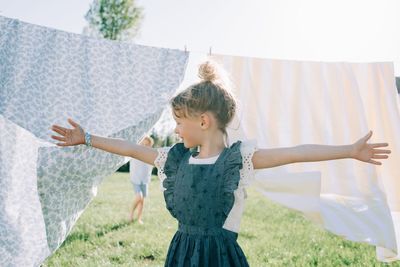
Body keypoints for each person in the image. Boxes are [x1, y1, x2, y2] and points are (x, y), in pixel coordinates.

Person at [50, 61, 391, 267]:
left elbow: (297, 152)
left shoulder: (238, 161)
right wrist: (88, 138)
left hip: (220, 259)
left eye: (179, 121)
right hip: (181, 253)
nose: (175, 128)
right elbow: (129, 148)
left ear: (204, 122)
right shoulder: (175, 160)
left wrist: (348, 149)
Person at [128, 136, 154, 224]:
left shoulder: (150, 156)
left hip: (145, 179)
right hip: (135, 178)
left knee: (142, 200)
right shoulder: (135, 153)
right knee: (139, 196)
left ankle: (139, 218)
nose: (144, 146)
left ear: (150, 147)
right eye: (142, 144)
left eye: (147, 145)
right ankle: (131, 213)